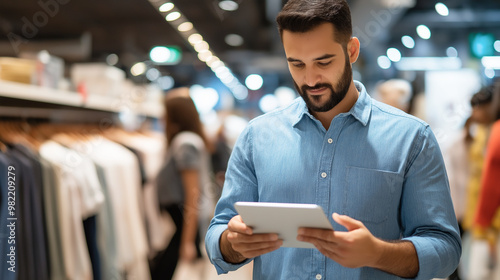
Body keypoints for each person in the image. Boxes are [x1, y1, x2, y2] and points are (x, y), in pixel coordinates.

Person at [204, 0, 461, 279]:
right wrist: (232, 242)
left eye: (323, 62)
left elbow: (445, 248)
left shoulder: (412, 138)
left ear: (351, 51)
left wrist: (377, 253)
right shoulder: (257, 137)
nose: (311, 78)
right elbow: (219, 231)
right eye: (297, 64)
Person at [150, 88, 214, 280]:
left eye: (165, 113)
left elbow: (192, 194)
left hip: (183, 224)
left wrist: (187, 242)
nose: (162, 118)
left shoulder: (185, 143)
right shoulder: (187, 141)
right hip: (181, 224)